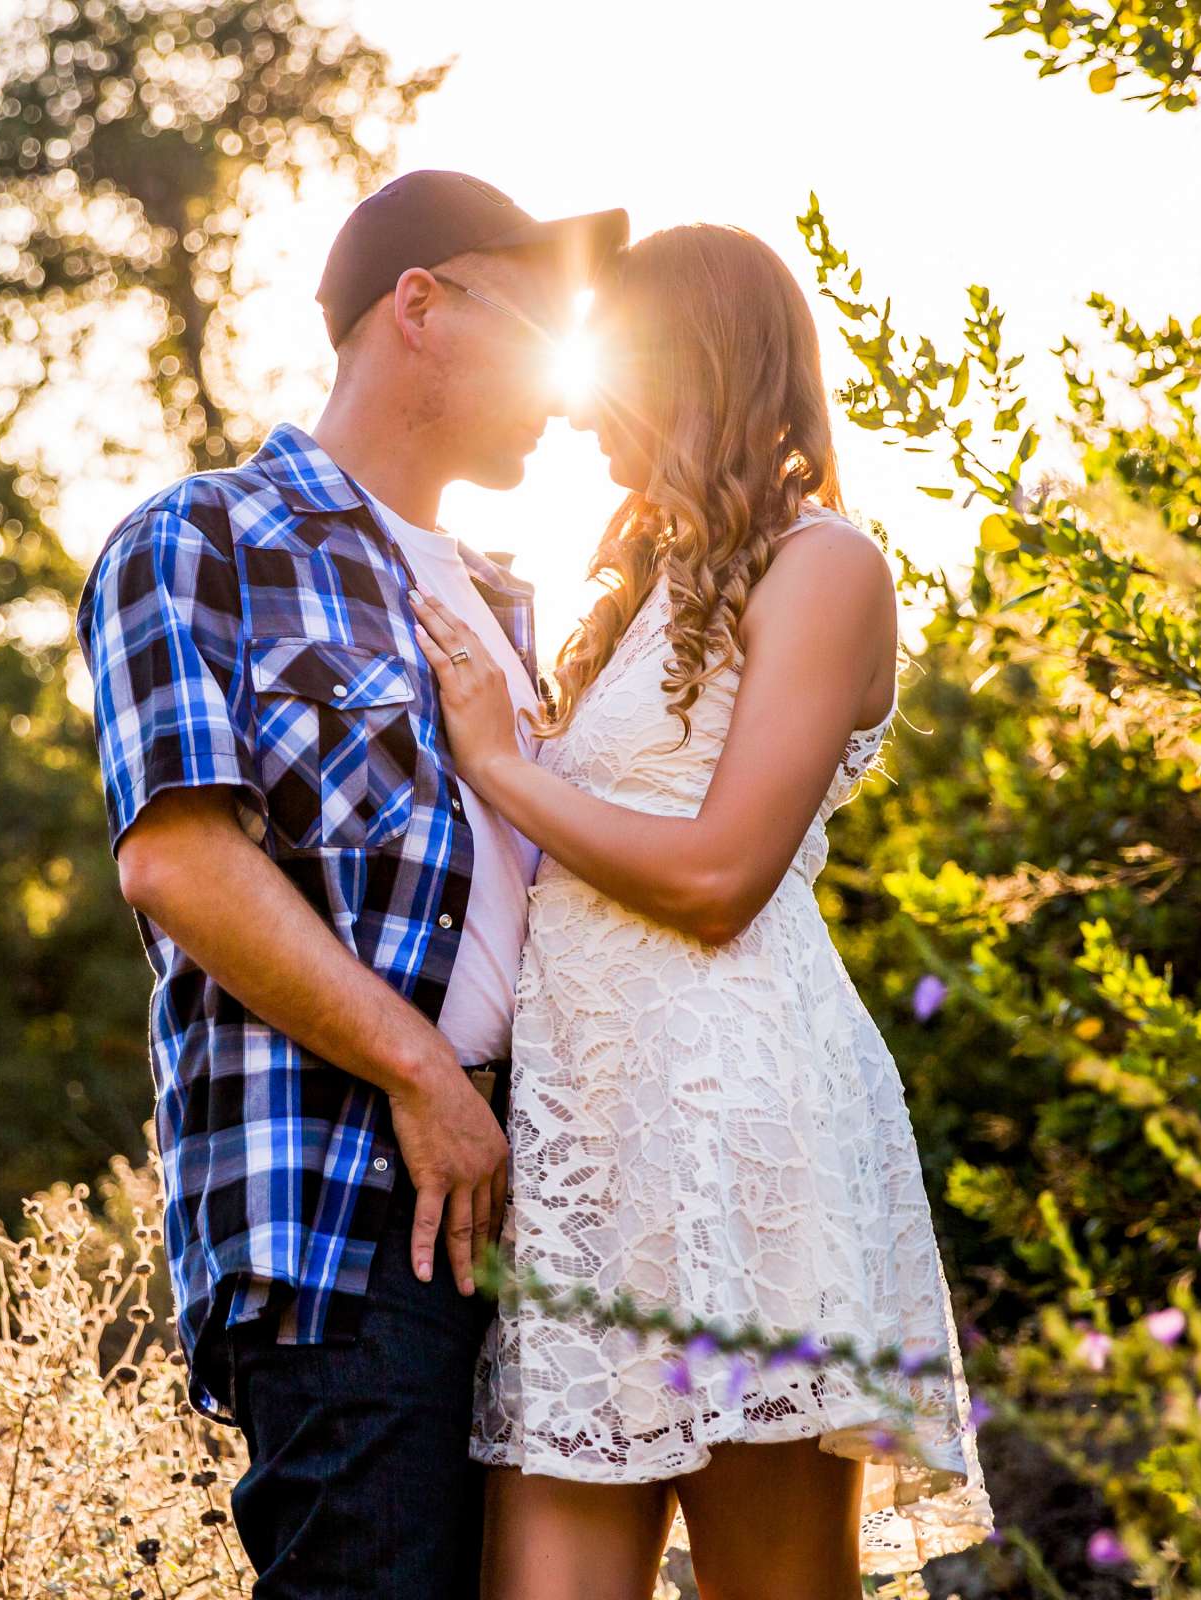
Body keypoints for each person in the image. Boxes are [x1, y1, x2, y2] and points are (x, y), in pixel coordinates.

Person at [411, 224, 995, 1600]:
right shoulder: (640, 598)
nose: (575, 409)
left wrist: (503, 761)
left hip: (744, 1129)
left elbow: (724, 875)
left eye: (608, 373)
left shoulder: (828, 565)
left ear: (691, 368)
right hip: (592, 1148)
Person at [75, 170, 625, 1600]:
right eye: (541, 329)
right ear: (422, 308)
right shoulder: (197, 542)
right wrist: (422, 1077)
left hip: (534, 1194)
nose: (567, 391)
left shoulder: (501, 602)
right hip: (345, 1203)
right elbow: (181, 858)